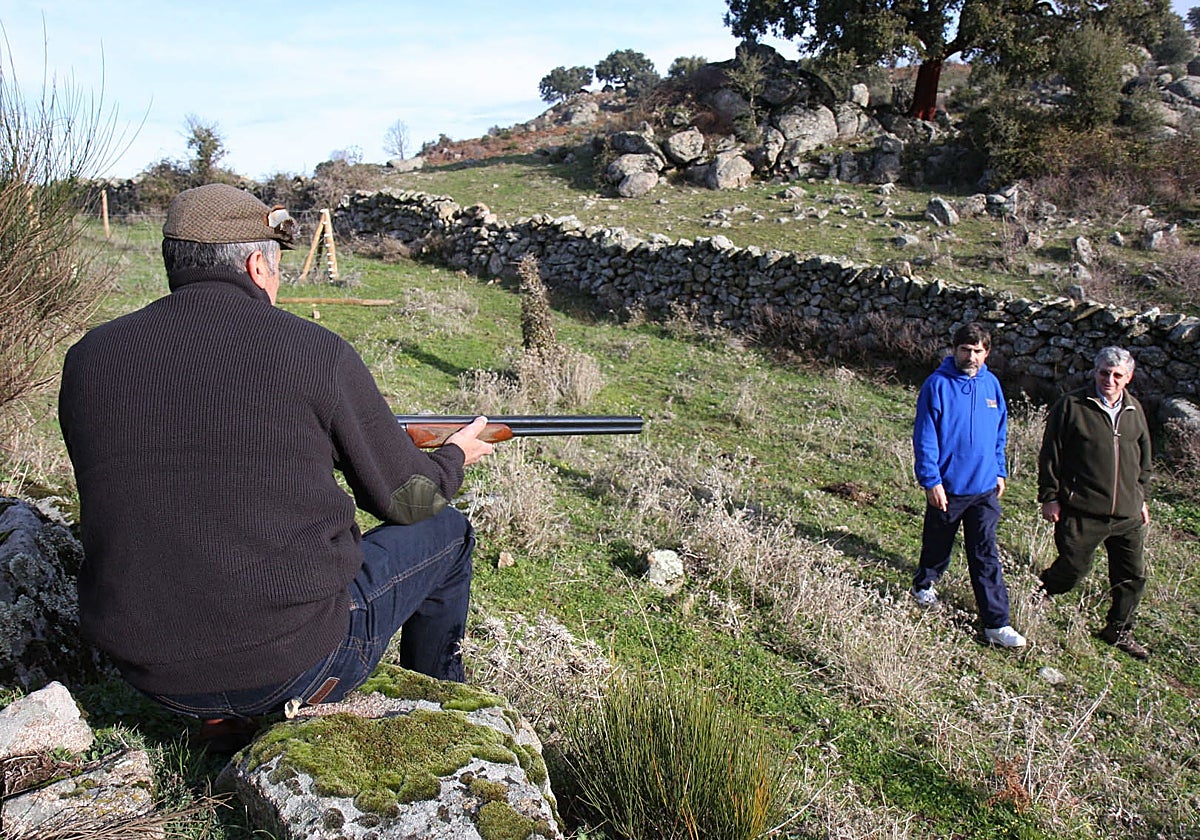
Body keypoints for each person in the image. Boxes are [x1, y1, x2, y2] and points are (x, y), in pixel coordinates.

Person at [59, 184, 495, 748]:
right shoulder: (316, 352)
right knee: (449, 532)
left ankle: (220, 724)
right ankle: (440, 711)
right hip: (298, 664)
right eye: (277, 265)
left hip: (151, 674)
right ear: (256, 263)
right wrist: (455, 456)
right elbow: (408, 500)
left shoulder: (89, 357)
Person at [911, 322, 1026, 648]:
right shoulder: (937, 385)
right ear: (955, 349)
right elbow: (925, 436)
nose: (970, 356)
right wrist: (931, 480)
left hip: (985, 488)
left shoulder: (992, 385)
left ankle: (996, 624)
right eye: (965, 349)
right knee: (938, 541)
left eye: (977, 351)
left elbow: (999, 430)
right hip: (948, 487)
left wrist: (999, 471)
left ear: (986, 352)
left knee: (985, 553)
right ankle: (924, 583)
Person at [1037, 346, 1152, 660]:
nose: (1109, 381)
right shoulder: (1072, 405)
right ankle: (1042, 590)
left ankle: (1119, 628)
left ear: (1128, 378)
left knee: (1132, 576)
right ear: (1095, 372)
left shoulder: (1134, 410)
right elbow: (1051, 455)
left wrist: (1140, 496)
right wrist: (1049, 497)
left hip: (1127, 513)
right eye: (1104, 373)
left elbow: (1144, 457)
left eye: (1117, 375)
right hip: (1082, 509)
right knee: (1074, 568)